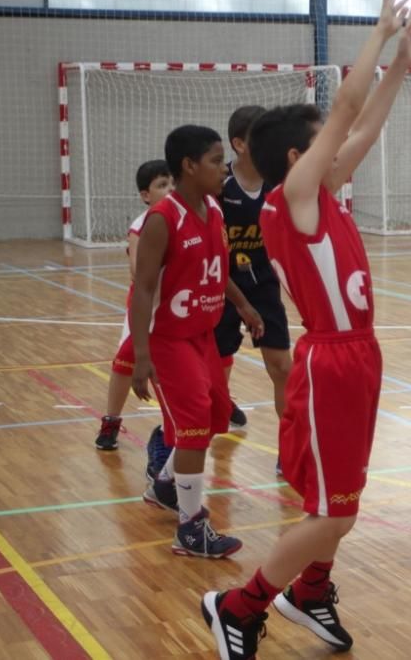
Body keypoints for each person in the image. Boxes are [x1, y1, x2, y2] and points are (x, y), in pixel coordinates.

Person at [200, 0, 411, 658]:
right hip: (331, 359)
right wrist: (379, 35)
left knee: (343, 501)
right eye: (324, 130)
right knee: (335, 510)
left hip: (359, 356)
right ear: (301, 154)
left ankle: (311, 589)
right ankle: (237, 607)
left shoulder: (319, 192)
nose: (338, 132)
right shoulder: (296, 198)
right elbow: (350, 109)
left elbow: (366, 124)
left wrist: (403, 66)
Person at [131, 124, 264, 558]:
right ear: (189, 166)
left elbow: (218, 269)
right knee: (192, 430)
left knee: (216, 417)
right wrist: (141, 356)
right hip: (169, 340)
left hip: (203, 335)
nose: (222, 169)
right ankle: (190, 528)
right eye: (213, 160)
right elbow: (144, 289)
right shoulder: (161, 220)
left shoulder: (214, 208)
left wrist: (243, 305)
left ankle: (165, 484)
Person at [215, 105, 293, 445]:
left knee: (282, 369)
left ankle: (291, 447)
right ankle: (200, 436)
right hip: (221, 288)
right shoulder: (218, 184)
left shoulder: (280, 183)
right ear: (239, 144)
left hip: (263, 286)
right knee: (213, 373)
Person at [94, 159, 171, 451]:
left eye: (172, 183)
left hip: (174, 308)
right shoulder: (141, 225)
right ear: (145, 195)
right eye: (162, 185)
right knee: (125, 362)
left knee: (174, 365)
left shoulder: (183, 218)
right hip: (145, 306)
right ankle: (111, 420)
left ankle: (174, 427)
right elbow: (138, 273)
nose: (170, 189)